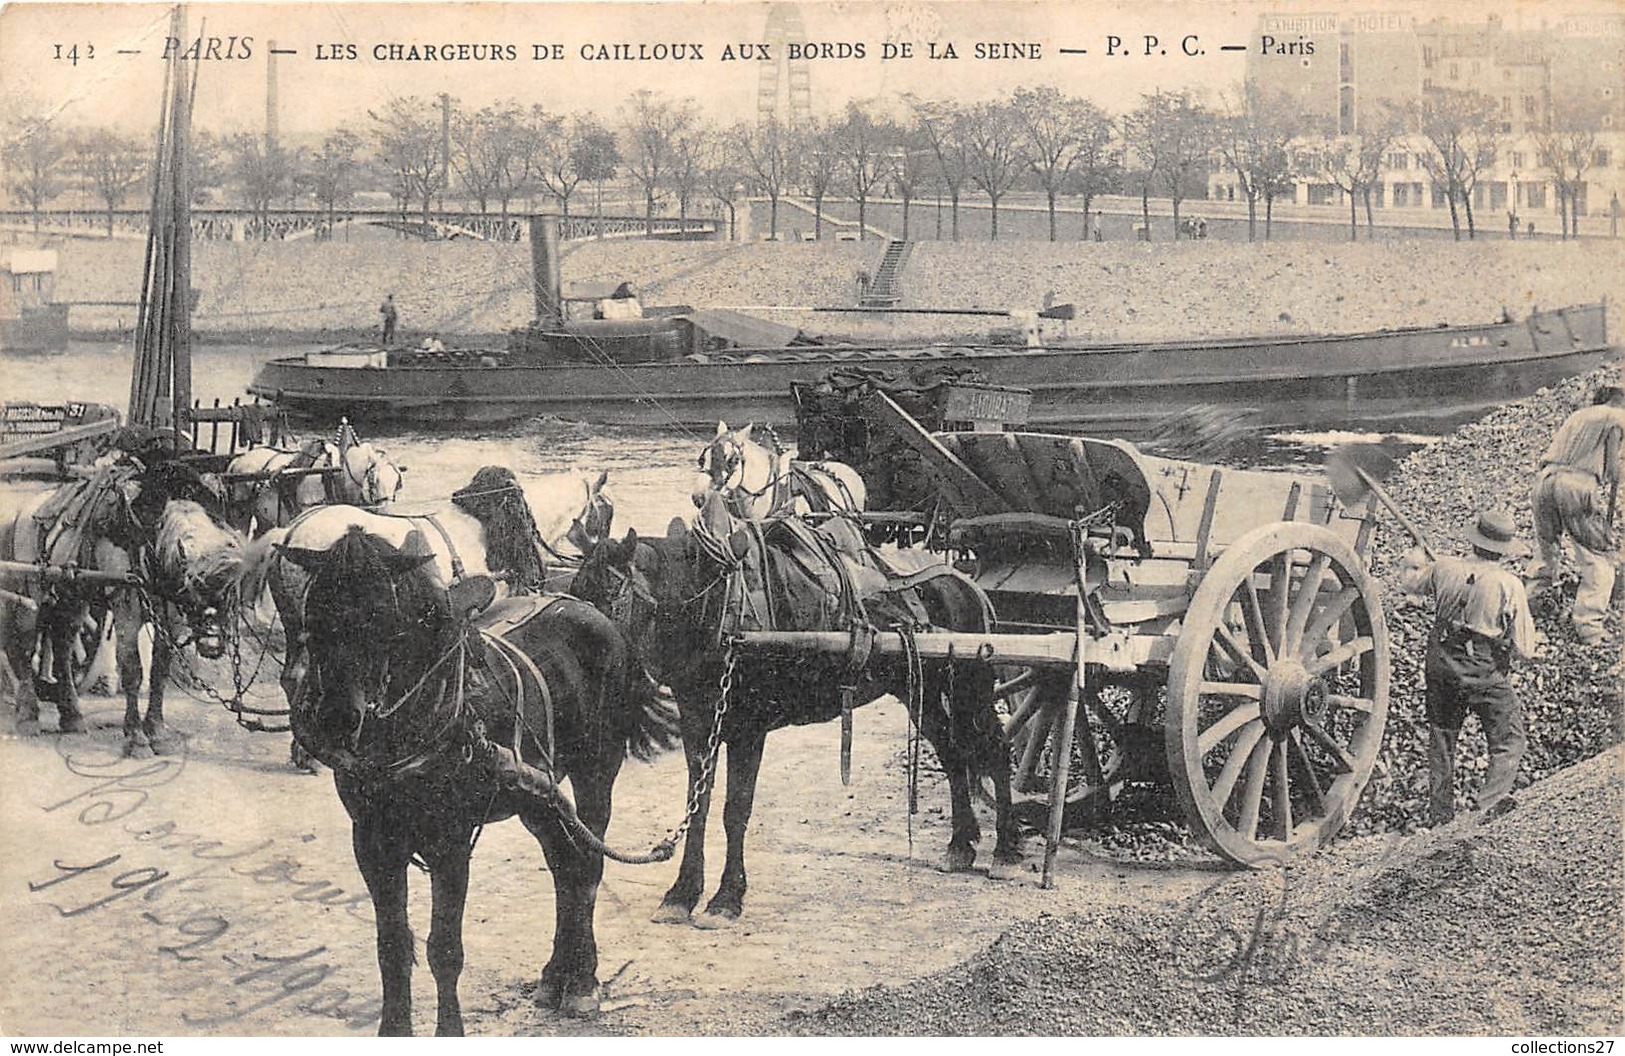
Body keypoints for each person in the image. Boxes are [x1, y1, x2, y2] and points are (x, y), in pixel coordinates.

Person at [1398, 510, 1537, 825]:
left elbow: (1410, 584)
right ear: (1504, 549)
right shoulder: (1508, 584)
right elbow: (1525, 649)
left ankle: (1440, 816)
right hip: (1481, 669)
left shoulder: (1445, 567)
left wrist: (1412, 559)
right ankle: (1488, 807)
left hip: (1440, 664)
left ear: (1474, 541)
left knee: (1443, 738)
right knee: (1509, 739)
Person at [1527, 384, 1625, 641]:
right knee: (1598, 556)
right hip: (1576, 486)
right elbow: (1614, 469)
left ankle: (1528, 607)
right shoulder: (1617, 417)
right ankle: (1589, 626)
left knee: (1546, 548)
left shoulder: (1579, 416)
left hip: (1544, 481)